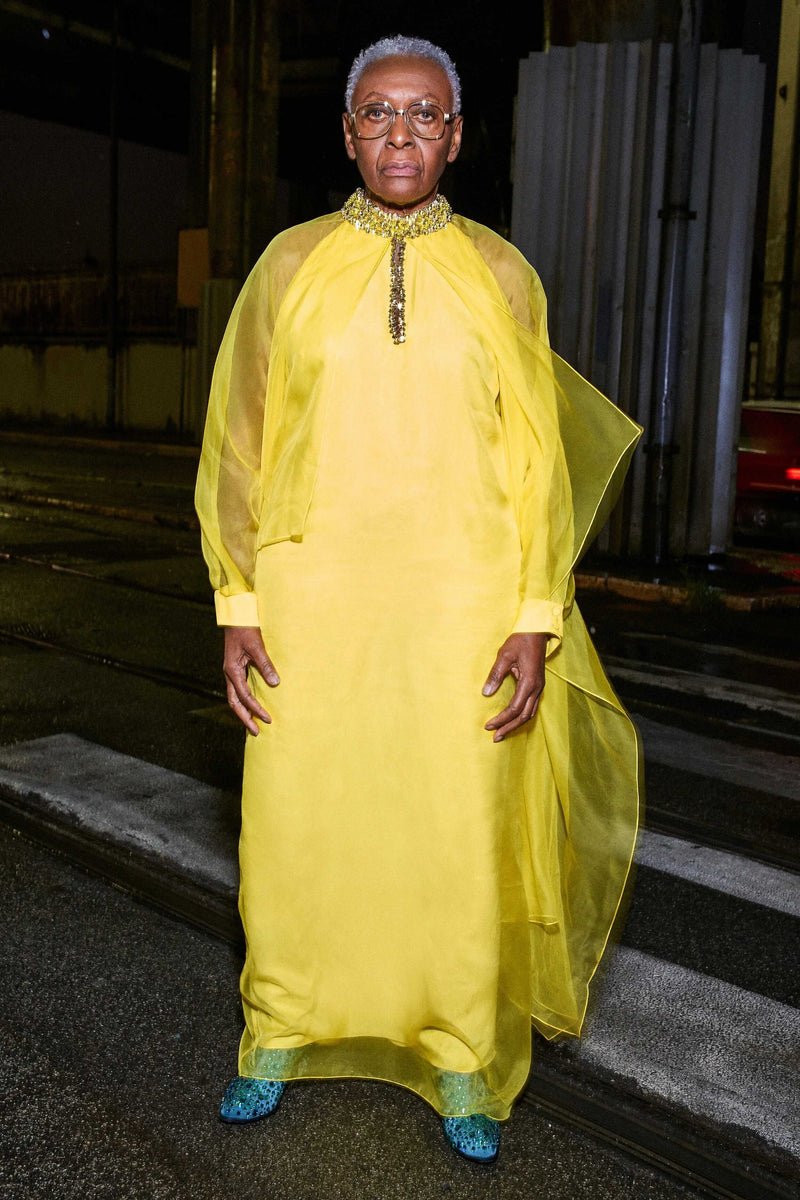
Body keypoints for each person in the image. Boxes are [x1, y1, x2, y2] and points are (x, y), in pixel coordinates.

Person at [195, 34, 642, 1164]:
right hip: (311, 592)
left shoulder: (501, 274)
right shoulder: (287, 265)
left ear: (456, 136)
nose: (402, 134)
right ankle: (278, 1030)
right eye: (379, 113)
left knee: (454, 829)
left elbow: (537, 462)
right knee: (297, 823)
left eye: (426, 115)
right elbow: (235, 443)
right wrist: (238, 600)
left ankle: (457, 1053)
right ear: (346, 133)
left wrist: (533, 614)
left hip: (460, 598)